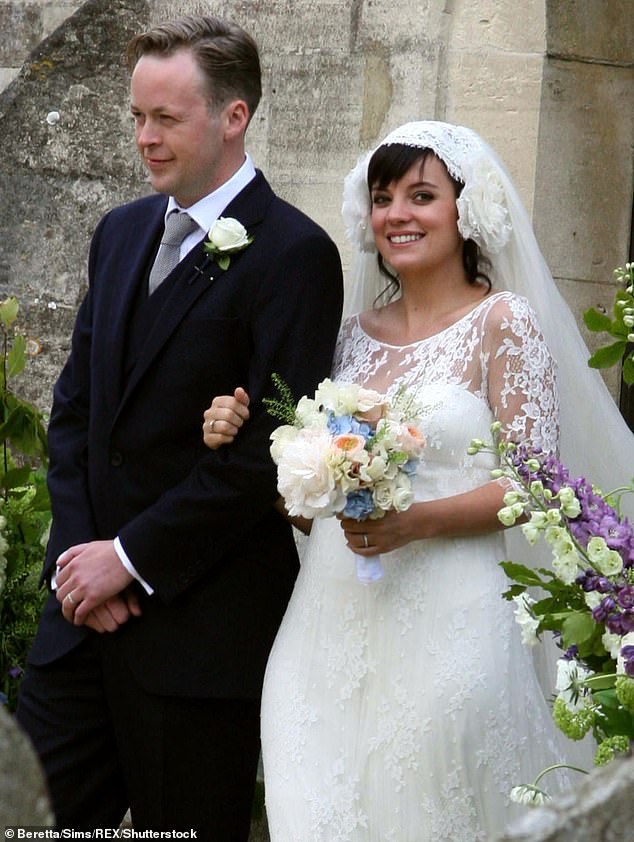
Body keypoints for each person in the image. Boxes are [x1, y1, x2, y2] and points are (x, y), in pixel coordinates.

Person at [203, 121, 634, 840]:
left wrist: (413, 523)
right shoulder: (348, 335)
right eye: (382, 197)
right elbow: (304, 505)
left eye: (421, 195)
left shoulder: (504, 323)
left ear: (466, 212)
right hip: (324, 630)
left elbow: (534, 488)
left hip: (454, 627)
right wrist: (249, 444)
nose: (397, 213)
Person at [16, 14, 343, 837]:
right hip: (79, 629)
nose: (145, 138)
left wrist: (129, 562)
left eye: (166, 118)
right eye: (137, 117)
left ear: (233, 116)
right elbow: (76, 417)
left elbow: (268, 456)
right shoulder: (120, 233)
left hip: (197, 642)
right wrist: (82, 568)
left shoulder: (295, 254)